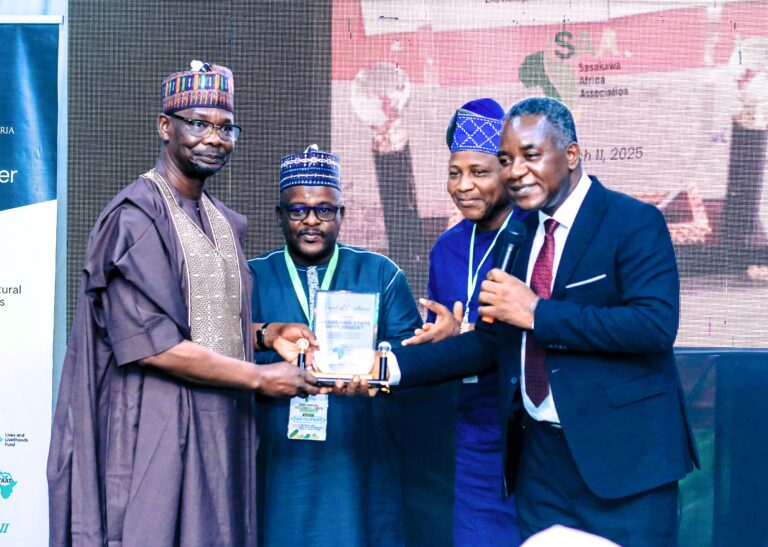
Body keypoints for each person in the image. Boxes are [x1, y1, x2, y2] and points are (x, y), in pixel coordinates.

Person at [384, 96, 699, 545]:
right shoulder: (520, 234)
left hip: (623, 462)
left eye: (530, 156)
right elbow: (493, 343)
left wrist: (536, 312)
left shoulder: (633, 221)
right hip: (540, 462)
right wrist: (390, 367)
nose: (515, 171)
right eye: (507, 159)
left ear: (570, 154)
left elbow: (653, 325)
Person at [47, 61, 323, 546]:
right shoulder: (135, 218)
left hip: (221, 424)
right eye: (198, 124)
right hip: (155, 425)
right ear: (165, 127)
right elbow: (150, 343)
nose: (214, 139)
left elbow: (200, 317)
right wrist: (260, 375)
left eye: (225, 127)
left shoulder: (218, 218)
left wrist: (263, 334)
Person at [247, 145, 422, 546]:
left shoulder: (381, 273)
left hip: (357, 450)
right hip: (279, 458)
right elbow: (223, 352)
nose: (312, 221)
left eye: (325, 210)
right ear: (279, 215)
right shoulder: (251, 277)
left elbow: (409, 359)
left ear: (341, 215)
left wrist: (374, 371)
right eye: (298, 210)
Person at [403, 98, 521, 545]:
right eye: (455, 172)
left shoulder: (534, 235)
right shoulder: (447, 248)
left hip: (532, 430)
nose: (463, 186)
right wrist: (438, 338)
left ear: (507, 172)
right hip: (475, 428)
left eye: (479, 172)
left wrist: (465, 333)